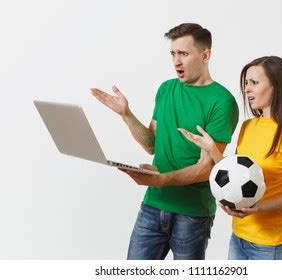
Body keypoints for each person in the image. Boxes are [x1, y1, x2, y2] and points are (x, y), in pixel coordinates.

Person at [90, 23, 238, 260]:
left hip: (193, 213)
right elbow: (151, 144)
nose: (176, 61)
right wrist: (126, 114)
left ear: (205, 55)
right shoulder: (166, 89)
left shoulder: (222, 102)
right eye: (173, 53)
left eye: (184, 54)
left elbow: (206, 169)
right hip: (153, 205)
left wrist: (160, 179)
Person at [179, 56, 282, 260]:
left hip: (272, 246)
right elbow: (237, 174)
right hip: (239, 238)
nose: (247, 89)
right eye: (245, 83)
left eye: (254, 83)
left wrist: (259, 208)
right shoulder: (248, 126)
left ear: (276, 86)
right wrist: (212, 149)